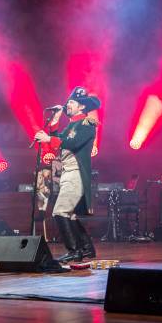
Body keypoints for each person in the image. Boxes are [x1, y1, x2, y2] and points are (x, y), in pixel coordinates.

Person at [34, 87, 100, 263]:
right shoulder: (71, 125)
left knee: (60, 212)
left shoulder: (88, 124)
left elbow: (72, 142)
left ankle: (74, 251)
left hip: (76, 172)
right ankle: (86, 249)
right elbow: (58, 143)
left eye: (71, 102)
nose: (67, 105)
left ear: (81, 107)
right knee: (69, 214)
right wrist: (55, 122)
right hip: (67, 172)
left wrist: (49, 138)